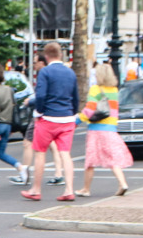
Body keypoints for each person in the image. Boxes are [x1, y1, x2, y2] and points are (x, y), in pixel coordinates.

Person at [21, 41, 79, 202]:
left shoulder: (45, 72)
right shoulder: (70, 73)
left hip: (48, 118)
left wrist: (39, 111)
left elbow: (40, 95)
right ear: (61, 54)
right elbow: (76, 97)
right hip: (67, 118)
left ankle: (36, 189)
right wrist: (72, 113)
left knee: (40, 154)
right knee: (65, 154)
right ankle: (69, 189)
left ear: (46, 56)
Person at [74, 63, 131, 197]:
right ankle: (122, 183)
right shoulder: (114, 91)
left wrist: (77, 120)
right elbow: (114, 111)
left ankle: (86, 189)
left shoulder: (96, 90)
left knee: (90, 160)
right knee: (113, 158)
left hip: (96, 129)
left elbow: (89, 110)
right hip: (111, 128)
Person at [11, 53, 62, 186]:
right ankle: (59, 174)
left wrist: (30, 102)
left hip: (41, 114)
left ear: (42, 63)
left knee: (28, 142)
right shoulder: (55, 74)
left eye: (35, 62)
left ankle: (24, 173)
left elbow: (42, 96)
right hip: (53, 114)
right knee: (53, 145)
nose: (34, 65)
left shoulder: (43, 74)